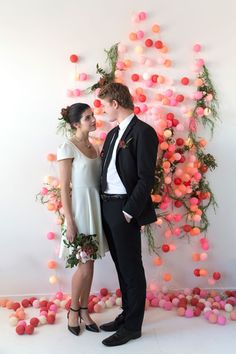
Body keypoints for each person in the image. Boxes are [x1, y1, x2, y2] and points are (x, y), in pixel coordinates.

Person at [98, 83, 158, 346]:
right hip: (107, 206)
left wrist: (128, 211)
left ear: (115, 103)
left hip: (124, 208)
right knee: (121, 266)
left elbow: (146, 178)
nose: (102, 110)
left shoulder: (143, 132)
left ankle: (133, 327)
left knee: (132, 268)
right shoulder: (112, 134)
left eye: (104, 104)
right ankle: (126, 315)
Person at [57, 103, 107, 336]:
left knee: (91, 263)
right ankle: (73, 310)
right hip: (79, 211)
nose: (94, 119)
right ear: (76, 123)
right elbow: (63, 188)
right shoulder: (67, 147)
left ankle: (85, 309)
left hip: (94, 210)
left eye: (93, 115)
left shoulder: (94, 147)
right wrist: (70, 221)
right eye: (88, 117)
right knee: (84, 267)